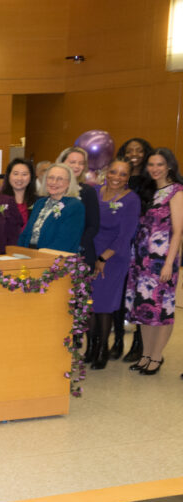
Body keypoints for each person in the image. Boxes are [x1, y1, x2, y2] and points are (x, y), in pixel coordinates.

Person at [125, 148, 183, 376]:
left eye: (160, 164)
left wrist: (170, 264)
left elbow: (178, 232)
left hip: (162, 261)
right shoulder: (150, 192)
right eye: (151, 165)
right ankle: (146, 354)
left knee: (162, 309)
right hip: (141, 260)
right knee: (144, 308)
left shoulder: (177, 192)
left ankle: (157, 356)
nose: (155, 169)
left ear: (169, 165)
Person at [86, 159, 140, 369]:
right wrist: (92, 256)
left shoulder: (131, 200)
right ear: (106, 172)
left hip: (114, 258)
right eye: (113, 172)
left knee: (104, 306)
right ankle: (90, 347)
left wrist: (103, 259)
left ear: (128, 178)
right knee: (89, 304)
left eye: (123, 174)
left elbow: (125, 235)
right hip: (91, 254)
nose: (117, 177)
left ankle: (102, 350)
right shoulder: (95, 191)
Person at [113, 138, 153, 361]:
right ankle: (118, 340)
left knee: (139, 295)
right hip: (120, 244)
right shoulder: (119, 178)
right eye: (130, 151)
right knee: (119, 295)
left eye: (139, 151)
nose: (135, 154)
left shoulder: (151, 181)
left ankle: (138, 343)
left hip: (144, 246)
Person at [17, 163, 85, 252]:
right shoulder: (40, 203)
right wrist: (20, 252)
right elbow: (26, 233)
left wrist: (39, 257)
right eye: (51, 178)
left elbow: (65, 241)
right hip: (29, 256)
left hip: (54, 260)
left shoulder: (74, 206)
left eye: (60, 179)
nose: (54, 182)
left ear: (68, 183)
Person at [56, 146, 101, 267]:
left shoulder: (88, 191)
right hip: (52, 253)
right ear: (61, 163)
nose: (77, 166)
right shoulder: (51, 190)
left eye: (81, 163)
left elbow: (93, 226)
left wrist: (75, 246)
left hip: (80, 254)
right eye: (72, 162)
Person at [0, 159, 38, 229]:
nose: (19, 178)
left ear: (31, 177)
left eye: (24, 174)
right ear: (8, 176)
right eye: (15, 174)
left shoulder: (38, 203)